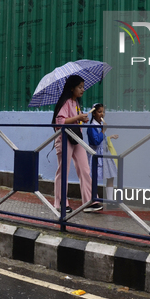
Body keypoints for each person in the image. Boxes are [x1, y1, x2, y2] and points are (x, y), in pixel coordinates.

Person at [52, 75, 103, 213]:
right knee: (63, 170)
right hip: (64, 138)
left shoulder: (76, 103)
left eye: (83, 87)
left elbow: (74, 121)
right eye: (80, 87)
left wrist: (82, 119)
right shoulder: (65, 102)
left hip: (76, 138)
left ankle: (90, 201)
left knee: (84, 169)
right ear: (71, 88)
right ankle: (61, 203)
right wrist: (77, 118)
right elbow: (59, 121)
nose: (83, 90)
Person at [87, 104, 119, 201]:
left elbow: (103, 140)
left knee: (111, 176)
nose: (102, 114)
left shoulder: (101, 125)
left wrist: (109, 136)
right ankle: (94, 199)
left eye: (103, 112)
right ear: (93, 113)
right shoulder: (91, 127)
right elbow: (96, 142)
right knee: (94, 178)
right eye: (99, 112)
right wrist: (103, 131)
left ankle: (110, 200)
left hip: (105, 154)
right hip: (96, 155)